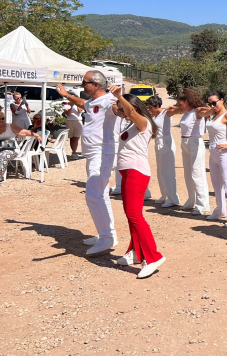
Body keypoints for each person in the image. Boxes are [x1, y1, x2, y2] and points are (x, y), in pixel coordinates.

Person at [55, 71, 120, 256]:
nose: (82, 86)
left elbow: (120, 110)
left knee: (92, 195)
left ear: (96, 84)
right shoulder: (92, 102)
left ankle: (106, 238)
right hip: (93, 154)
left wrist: (120, 99)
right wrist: (67, 95)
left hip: (103, 153)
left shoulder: (109, 101)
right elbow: (83, 104)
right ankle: (107, 233)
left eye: (84, 83)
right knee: (101, 195)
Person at [110, 85, 166, 279]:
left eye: (123, 108)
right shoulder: (129, 123)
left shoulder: (143, 122)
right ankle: (135, 251)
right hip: (127, 172)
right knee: (130, 214)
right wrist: (111, 102)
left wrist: (119, 96)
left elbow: (130, 111)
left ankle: (153, 257)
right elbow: (118, 111)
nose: (122, 112)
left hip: (136, 172)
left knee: (134, 215)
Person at [198, 91, 227, 227]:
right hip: (213, 153)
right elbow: (199, 112)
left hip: (225, 153)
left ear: (222, 100)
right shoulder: (213, 114)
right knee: (217, 183)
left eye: (214, 103)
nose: (212, 106)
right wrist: (207, 108)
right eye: (210, 103)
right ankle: (220, 210)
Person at [166, 88, 210, 215]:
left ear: (187, 101)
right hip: (185, 143)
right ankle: (192, 201)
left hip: (195, 143)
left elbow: (206, 112)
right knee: (188, 174)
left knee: (197, 174)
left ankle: (203, 205)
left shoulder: (197, 112)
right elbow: (170, 109)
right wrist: (179, 108)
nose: (179, 106)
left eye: (181, 103)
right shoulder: (186, 112)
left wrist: (204, 108)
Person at [0, 111, 41, 183]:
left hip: (10, 150)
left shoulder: (10, 126)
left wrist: (36, 135)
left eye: (2, 118)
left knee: (2, 155)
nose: (1, 120)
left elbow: (24, 132)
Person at [145, 96, 181, 208]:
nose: (149, 110)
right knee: (160, 171)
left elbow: (178, 110)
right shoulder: (155, 115)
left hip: (166, 143)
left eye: (151, 107)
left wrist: (173, 107)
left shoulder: (165, 113)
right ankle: (164, 195)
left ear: (157, 106)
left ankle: (172, 198)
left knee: (168, 172)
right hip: (158, 143)